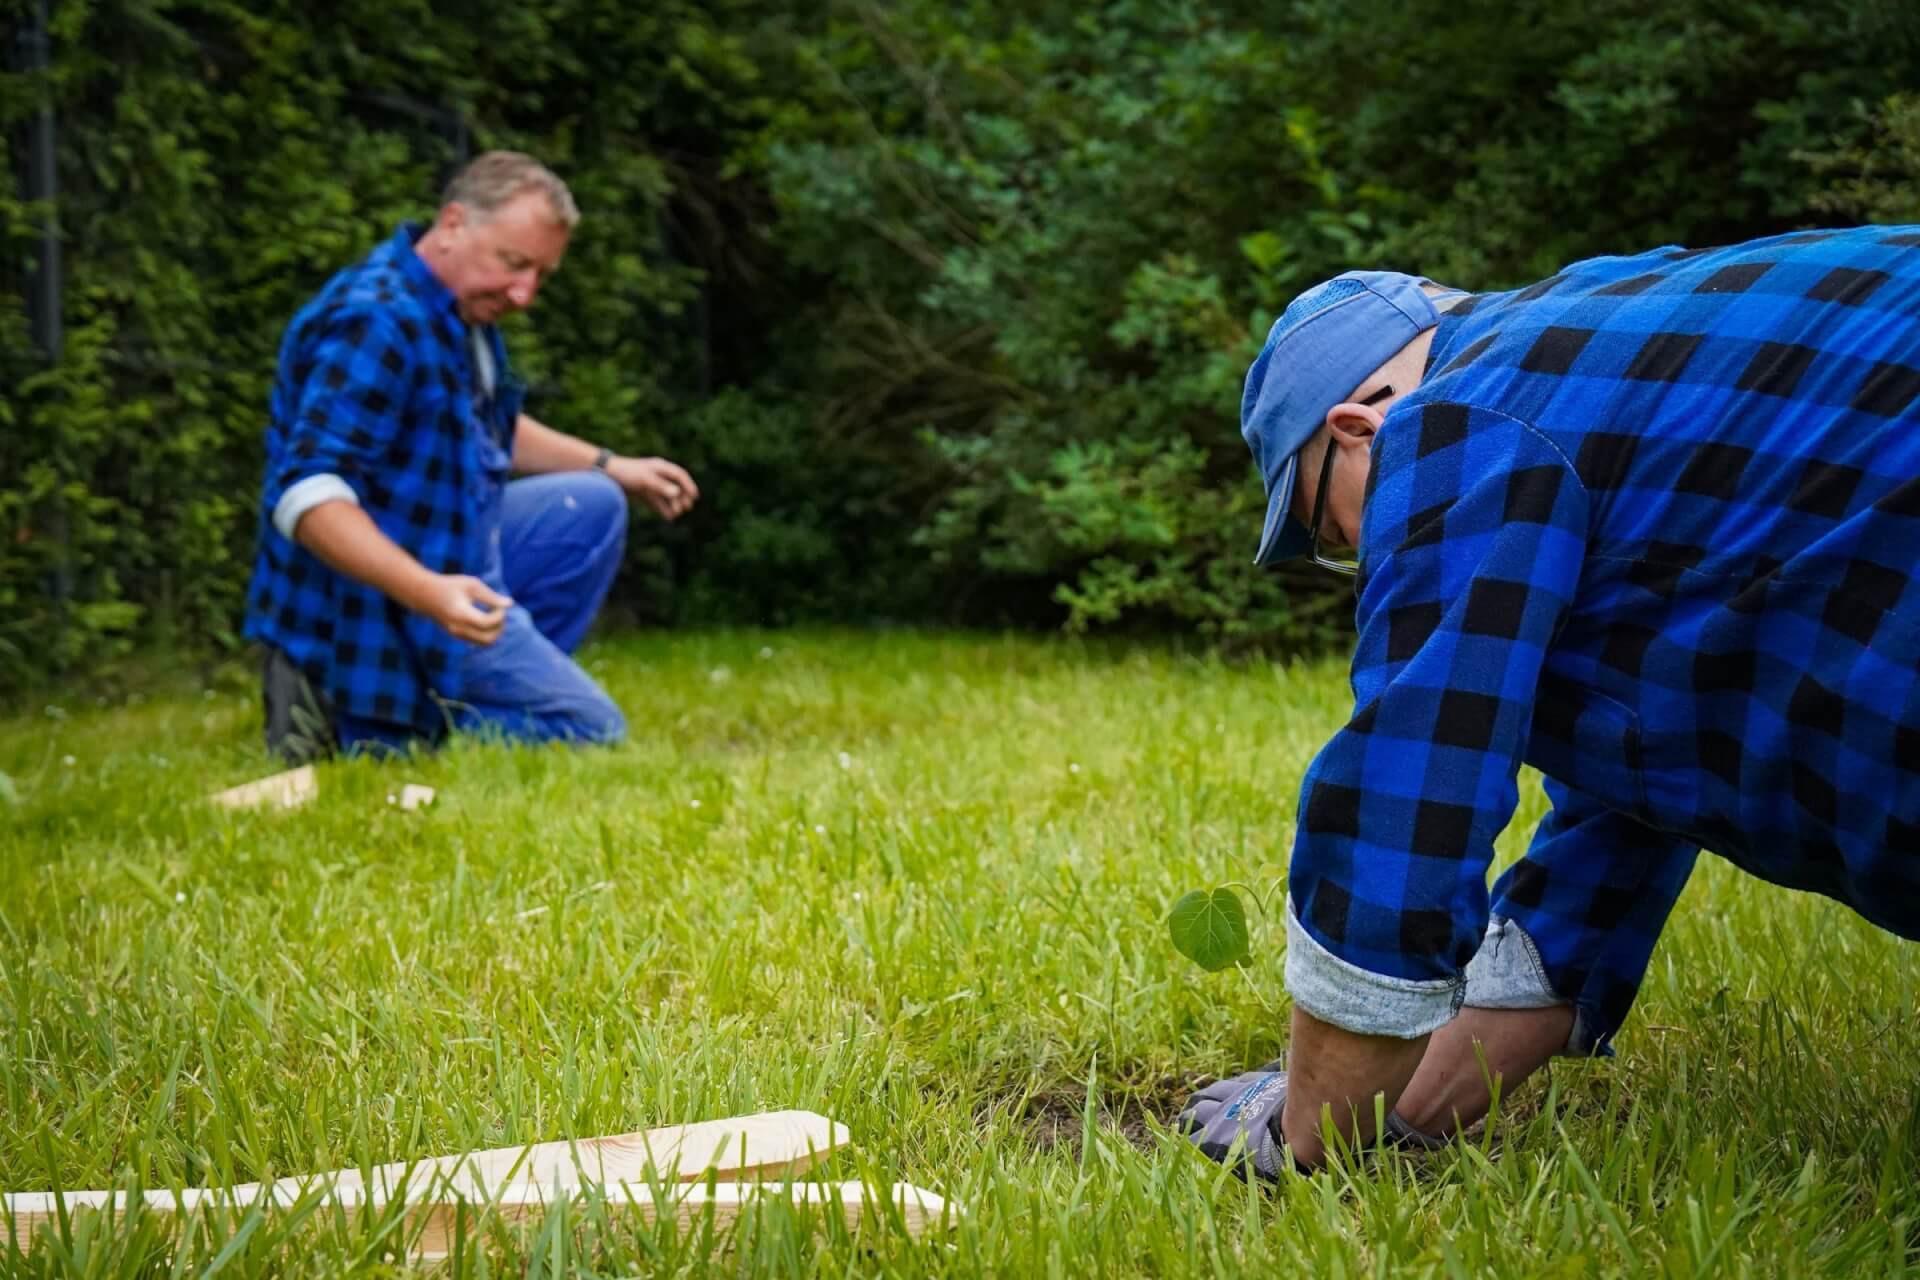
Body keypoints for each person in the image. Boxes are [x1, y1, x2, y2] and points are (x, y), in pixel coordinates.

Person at [1180, 225, 1920, 1175]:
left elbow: (1407, 799)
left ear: (1357, 430)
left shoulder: (1458, 420)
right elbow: (1635, 787)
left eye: (1335, 532)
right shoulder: (1603, 360)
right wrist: (1409, 1105)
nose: (1360, 563)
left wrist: (1307, 1126)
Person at [245, 151, 699, 760]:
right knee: (591, 732)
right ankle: (349, 702)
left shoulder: (459, 310)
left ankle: (467, 689)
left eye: (541, 274)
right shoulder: (376, 320)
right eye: (514, 264)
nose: (525, 292)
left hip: (449, 551)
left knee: (589, 502)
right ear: (454, 224)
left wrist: (613, 465)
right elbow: (307, 494)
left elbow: (486, 429)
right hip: (366, 600)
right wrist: (430, 593)